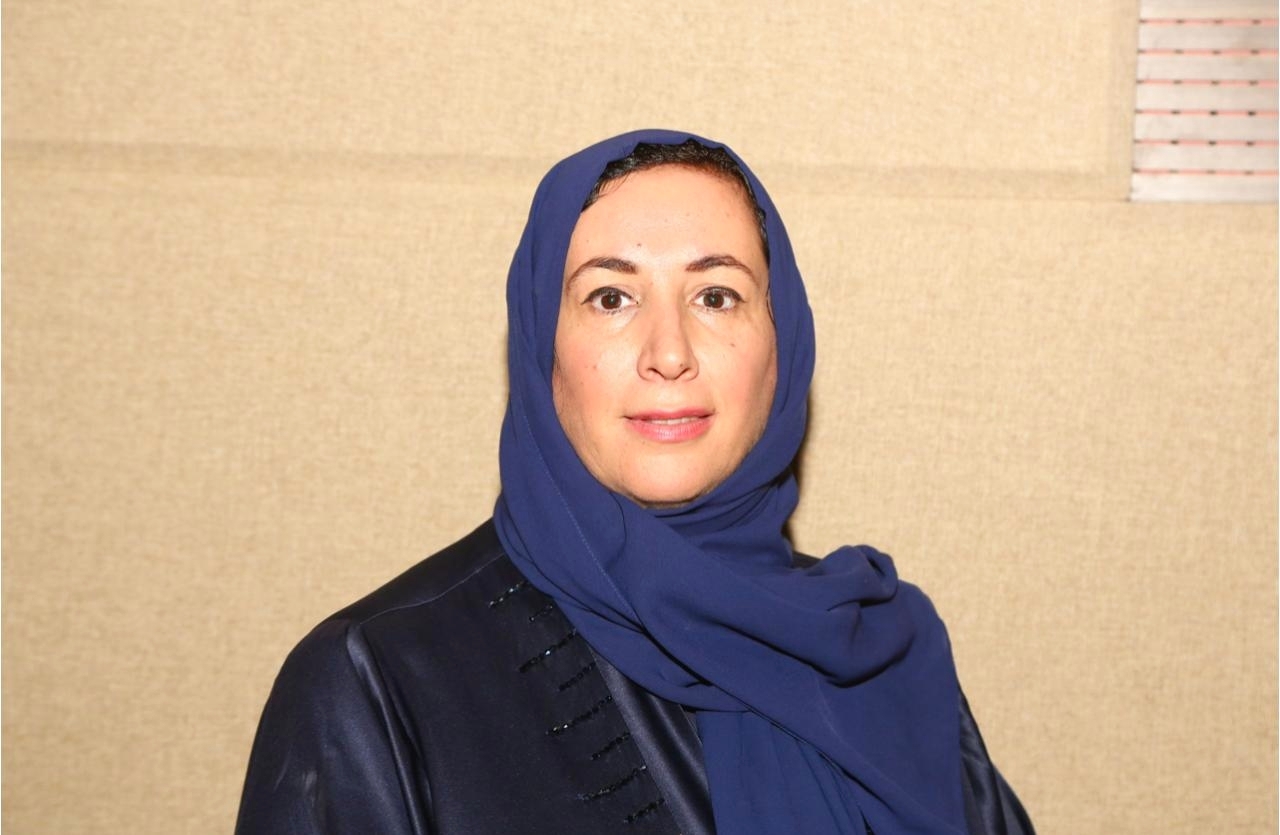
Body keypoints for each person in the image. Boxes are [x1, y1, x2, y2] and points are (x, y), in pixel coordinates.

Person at [235, 130, 1033, 835]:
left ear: (783, 344)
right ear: (542, 346)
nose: (669, 351)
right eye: (610, 297)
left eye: (716, 295)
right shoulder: (379, 682)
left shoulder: (880, 651)